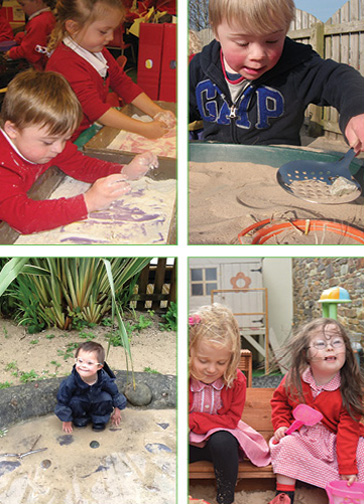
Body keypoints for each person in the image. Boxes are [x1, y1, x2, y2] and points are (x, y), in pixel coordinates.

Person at [189, 0, 364, 152]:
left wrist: (357, 110)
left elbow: (338, 78)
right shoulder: (201, 67)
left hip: (274, 169)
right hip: (215, 165)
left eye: (271, 41)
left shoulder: (298, 65)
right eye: (243, 43)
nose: (257, 54)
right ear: (216, 32)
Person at [0, 69, 157, 235]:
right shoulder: (3, 166)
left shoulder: (50, 142)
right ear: (12, 130)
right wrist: (87, 203)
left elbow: (82, 166)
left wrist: (125, 171)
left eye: (65, 139)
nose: (59, 148)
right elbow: (22, 217)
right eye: (48, 142)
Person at [46, 0, 175, 141]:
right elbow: (97, 110)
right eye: (103, 31)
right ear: (73, 27)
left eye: (113, 30)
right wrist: (144, 129)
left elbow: (122, 82)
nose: (111, 37)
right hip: (66, 138)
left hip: (86, 128)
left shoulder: (97, 50)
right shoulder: (65, 63)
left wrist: (157, 111)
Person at [270, 318, 364, 504]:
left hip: (337, 440)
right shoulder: (294, 379)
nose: (330, 348)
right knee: (287, 444)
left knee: (362, 450)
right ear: (306, 354)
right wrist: (281, 424)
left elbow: (348, 431)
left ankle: (350, 494)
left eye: (336, 342)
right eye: (321, 344)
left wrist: (347, 467)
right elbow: (279, 402)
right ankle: (284, 495)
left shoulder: (349, 388)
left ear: (345, 349)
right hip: (304, 438)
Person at [189, 304, 270, 504]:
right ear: (189, 351)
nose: (211, 369)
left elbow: (231, 420)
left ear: (231, 359)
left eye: (220, 363)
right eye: (203, 360)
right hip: (189, 441)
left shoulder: (236, 381)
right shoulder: (183, 378)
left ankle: (225, 498)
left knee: (224, 441)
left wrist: (192, 420)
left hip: (218, 437)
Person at [55, 341, 127, 432]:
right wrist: (66, 419)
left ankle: (99, 421)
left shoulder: (104, 378)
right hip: (80, 404)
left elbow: (115, 393)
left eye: (89, 363)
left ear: (99, 367)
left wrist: (117, 410)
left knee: (106, 398)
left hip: (98, 401)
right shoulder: (71, 381)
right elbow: (62, 401)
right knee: (74, 402)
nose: (83, 366)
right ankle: (81, 420)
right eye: (80, 361)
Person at [4, 0, 56, 70]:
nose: (22, 8)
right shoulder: (48, 16)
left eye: (23, 5)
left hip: (40, 67)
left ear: (38, 1)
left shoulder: (38, 22)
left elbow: (29, 50)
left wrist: (10, 53)